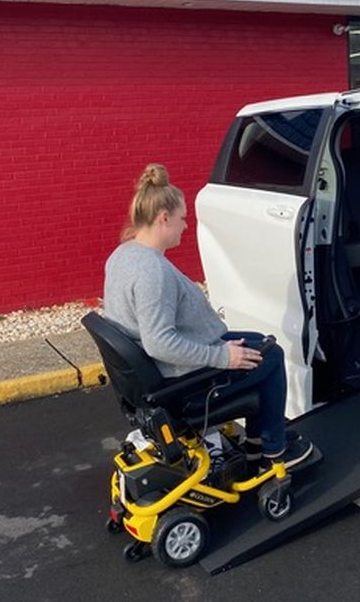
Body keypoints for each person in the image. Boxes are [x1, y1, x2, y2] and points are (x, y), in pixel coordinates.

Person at [103, 163, 313, 470]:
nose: (185, 226)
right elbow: (159, 343)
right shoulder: (152, 273)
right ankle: (273, 452)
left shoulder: (123, 255)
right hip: (183, 384)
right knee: (270, 356)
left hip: (163, 372)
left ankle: (259, 443)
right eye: (182, 219)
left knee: (260, 344)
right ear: (163, 219)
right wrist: (222, 357)